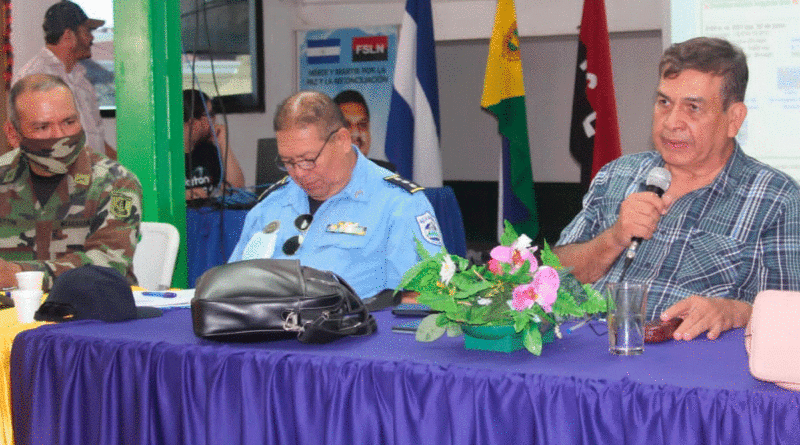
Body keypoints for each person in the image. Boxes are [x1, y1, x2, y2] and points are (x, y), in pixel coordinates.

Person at [554, 37, 800, 341]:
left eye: (693, 108)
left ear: (734, 119)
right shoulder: (616, 175)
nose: (672, 122)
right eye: (664, 103)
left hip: (685, 375)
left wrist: (733, 311)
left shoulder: (775, 198)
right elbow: (551, 277)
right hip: (579, 361)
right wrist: (614, 238)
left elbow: (790, 319)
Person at [229, 90, 443, 299]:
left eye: (308, 160)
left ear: (342, 140)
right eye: (288, 163)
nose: (299, 173)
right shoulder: (271, 205)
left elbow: (424, 298)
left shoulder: (399, 205)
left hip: (358, 332)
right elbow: (234, 287)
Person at [0, 73, 143, 290]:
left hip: (92, 312)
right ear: (13, 133)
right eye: (42, 127)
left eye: (69, 122)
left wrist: (21, 275)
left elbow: (108, 265)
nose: (60, 136)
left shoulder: (115, 182)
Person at [13, 1, 116, 159]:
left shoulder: (81, 78)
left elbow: (96, 138)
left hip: (90, 177)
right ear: (69, 36)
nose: (91, 38)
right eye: (87, 31)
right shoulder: (35, 76)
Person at [183, 89, 245, 201]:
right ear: (193, 122)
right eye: (210, 114)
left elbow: (236, 189)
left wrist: (224, 144)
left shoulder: (208, 150)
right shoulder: (166, 157)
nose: (214, 119)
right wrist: (183, 195)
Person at [333, 89, 396, 172]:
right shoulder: (317, 173)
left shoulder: (385, 172)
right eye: (347, 125)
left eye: (362, 125)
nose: (355, 133)